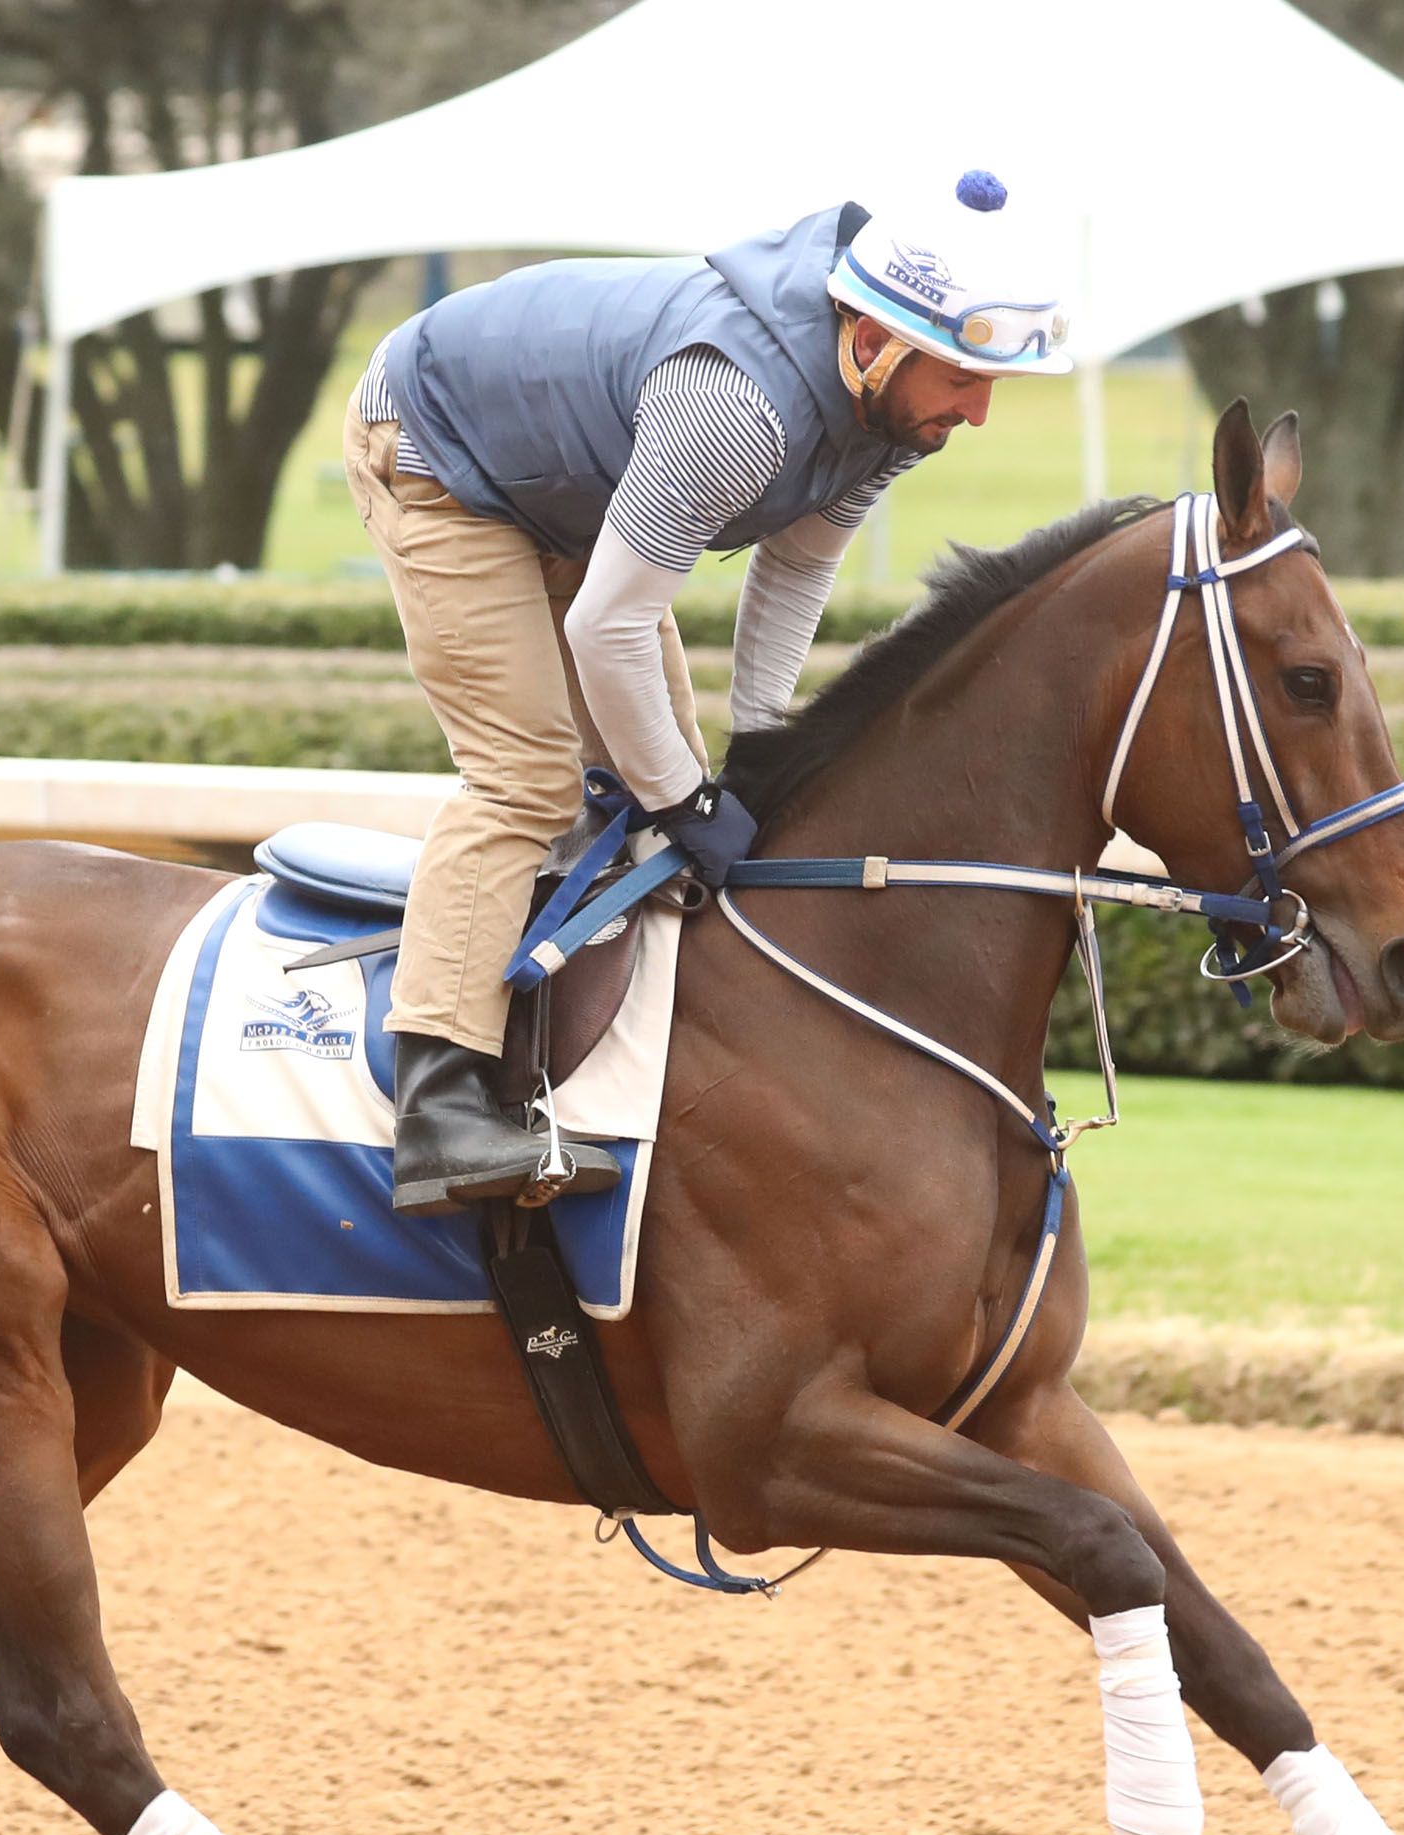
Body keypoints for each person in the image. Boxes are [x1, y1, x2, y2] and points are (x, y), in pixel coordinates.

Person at [345, 170, 1074, 1215]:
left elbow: (793, 571)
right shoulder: (737, 409)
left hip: (566, 489)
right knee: (532, 781)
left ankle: (611, 1069)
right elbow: (608, 626)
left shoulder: (888, 416)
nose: (981, 412)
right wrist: (684, 797)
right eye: (964, 376)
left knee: (663, 788)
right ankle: (440, 1106)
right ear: (873, 341)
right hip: (438, 454)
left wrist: (759, 754)